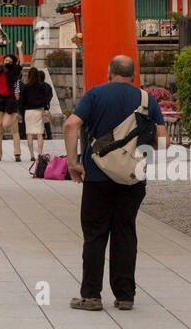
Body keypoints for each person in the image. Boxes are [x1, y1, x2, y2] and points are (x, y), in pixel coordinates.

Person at [67, 55, 167, 312]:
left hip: (98, 176)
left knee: (95, 235)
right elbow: (163, 142)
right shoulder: (147, 100)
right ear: (134, 75)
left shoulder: (95, 95)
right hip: (132, 179)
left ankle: (91, 296)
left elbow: (71, 124)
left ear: (110, 71)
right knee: (125, 233)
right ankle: (125, 296)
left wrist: (72, 162)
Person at [0, 48, 23, 162]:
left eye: (9, 60)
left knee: (9, 127)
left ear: (12, 63)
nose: (7, 62)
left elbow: (21, 63)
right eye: (5, 60)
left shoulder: (14, 72)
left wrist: (19, 49)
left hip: (10, 101)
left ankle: (15, 115)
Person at [17, 67, 55, 161]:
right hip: (39, 110)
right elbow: (46, 98)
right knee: (40, 134)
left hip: (28, 112)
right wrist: (46, 108)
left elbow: (21, 101)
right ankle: (40, 154)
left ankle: (32, 155)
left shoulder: (25, 87)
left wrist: (21, 112)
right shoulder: (42, 86)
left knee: (29, 133)